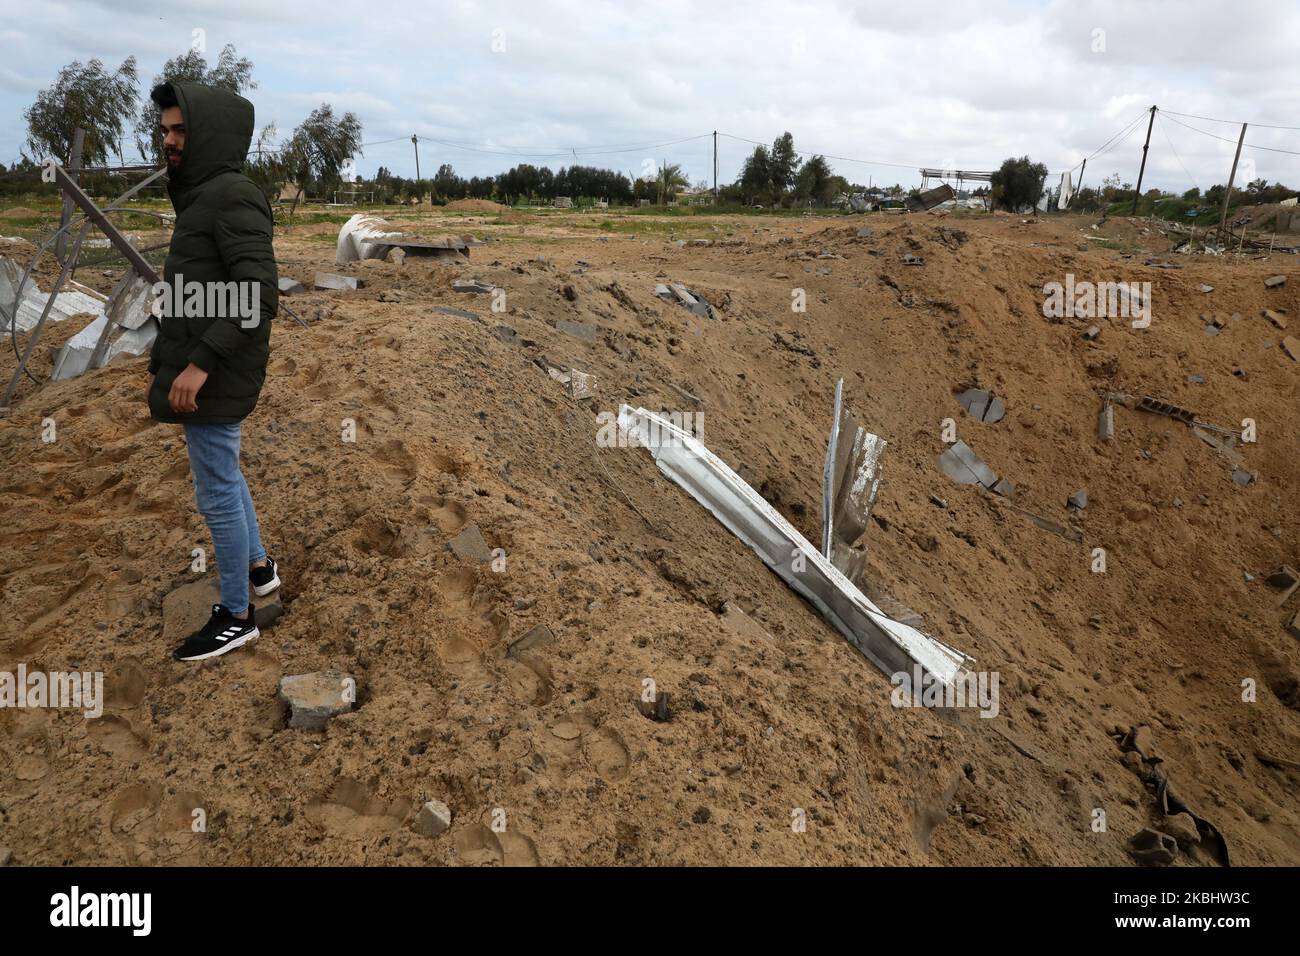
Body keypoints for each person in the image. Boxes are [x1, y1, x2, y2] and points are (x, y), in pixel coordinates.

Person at [146, 81, 281, 661]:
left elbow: (258, 293)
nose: (168, 140)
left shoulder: (231, 196)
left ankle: (235, 614)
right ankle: (258, 571)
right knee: (226, 472)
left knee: (216, 490)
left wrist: (198, 364)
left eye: (180, 131)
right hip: (210, 357)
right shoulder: (205, 194)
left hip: (217, 365)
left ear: (209, 136)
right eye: (167, 129)